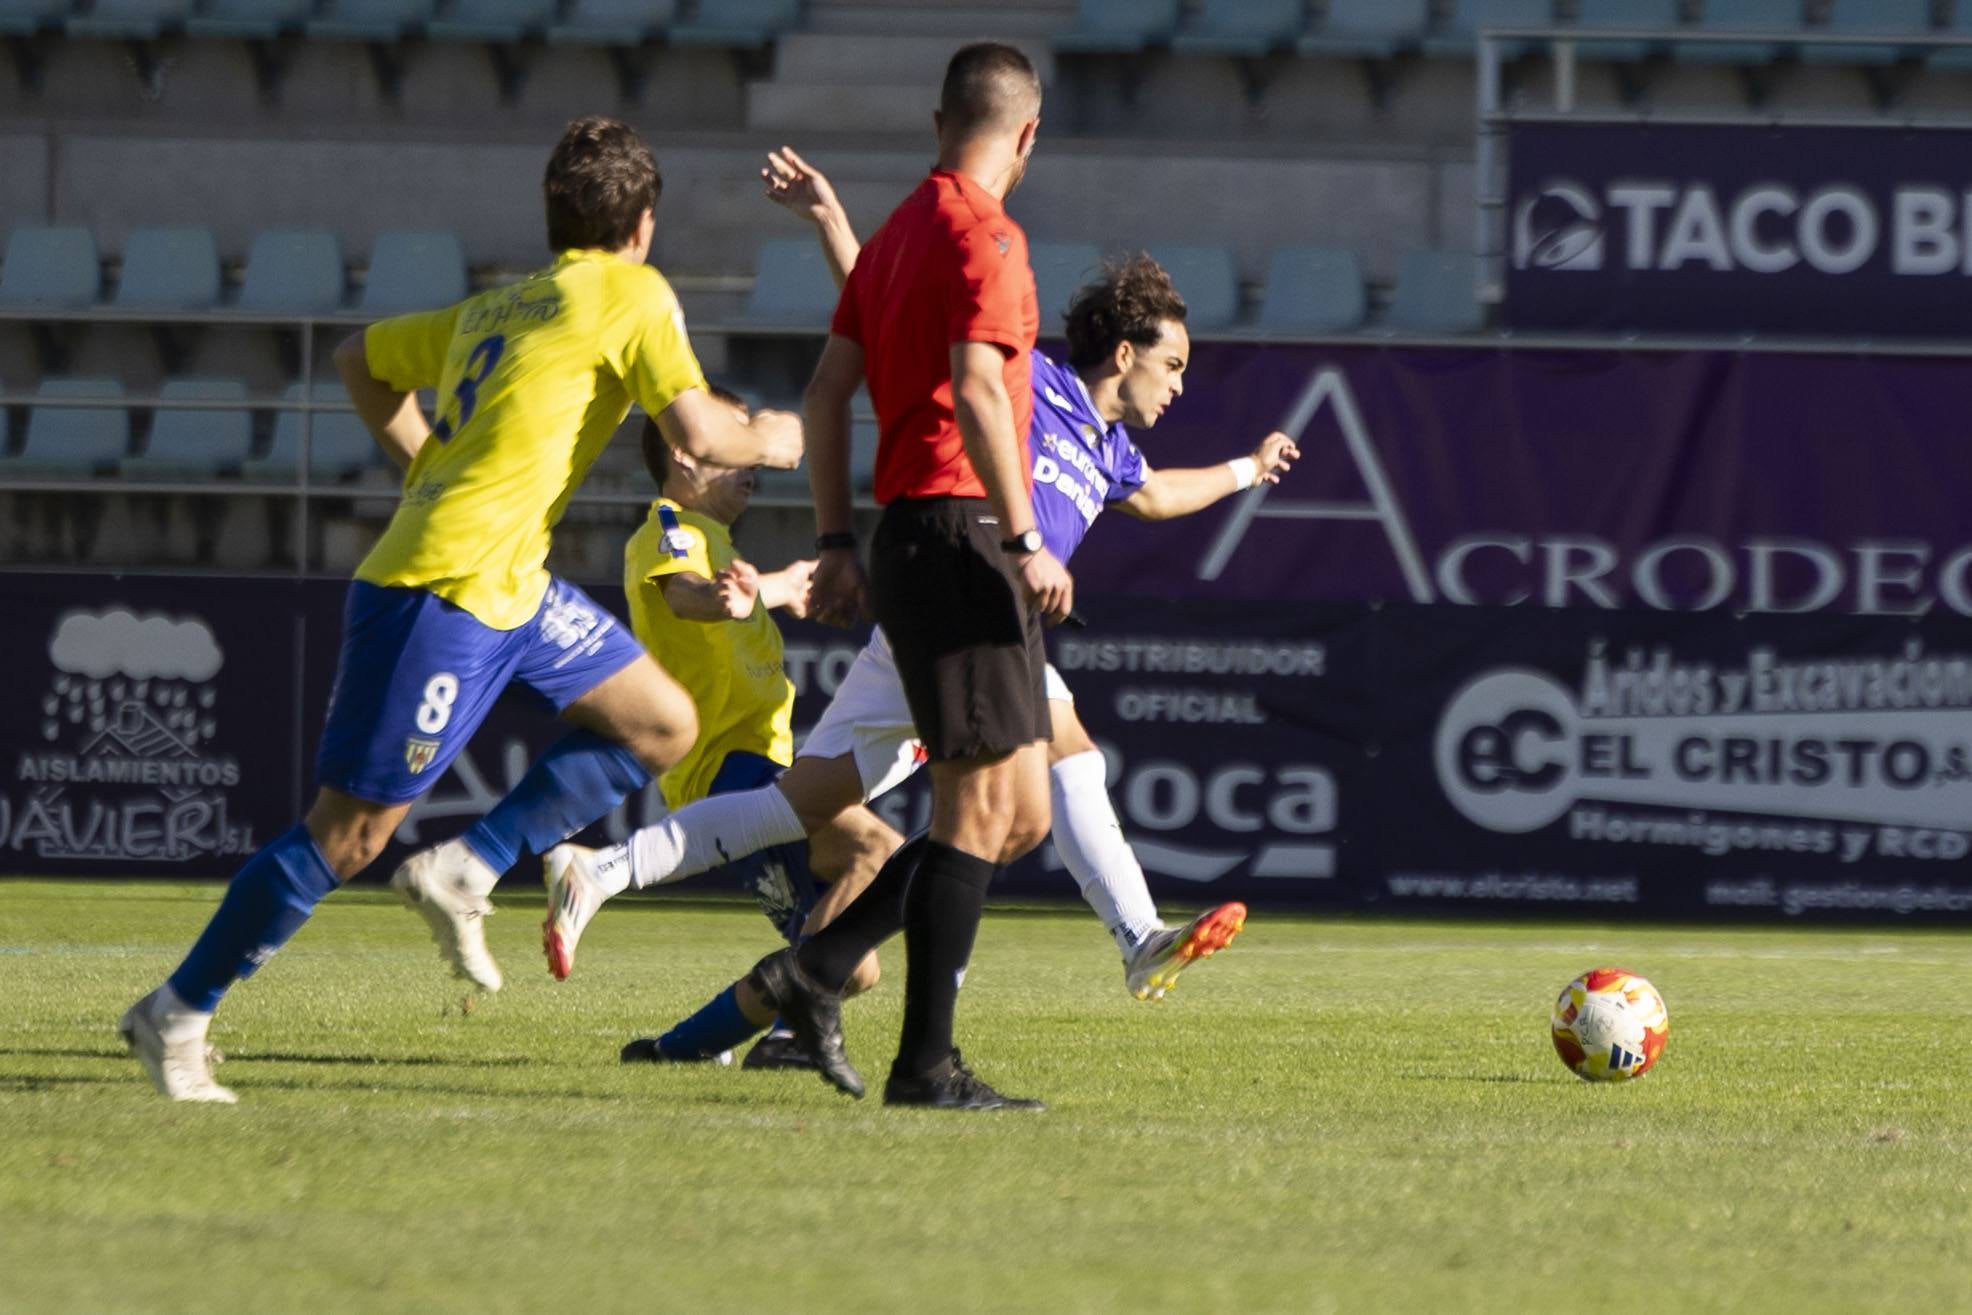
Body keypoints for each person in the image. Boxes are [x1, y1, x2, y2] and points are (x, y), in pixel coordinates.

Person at [116, 116, 802, 1103]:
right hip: (439, 588)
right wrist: (777, 438)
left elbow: (360, 358)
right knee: (345, 837)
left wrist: (426, 468)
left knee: (660, 720)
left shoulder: (497, 310)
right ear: (642, 225)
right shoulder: (631, 292)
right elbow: (699, 431)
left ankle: (469, 866)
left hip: (509, 581)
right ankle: (176, 1012)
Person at [540, 153, 1296, 1035]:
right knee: (1058, 749)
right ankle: (1133, 937)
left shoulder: (1112, 453)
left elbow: (1162, 495)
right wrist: (830, 222)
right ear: (1123, 355)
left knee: (797, 806)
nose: (1177, 386)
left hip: (926, 630)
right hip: (964, 598)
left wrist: (1249, 467)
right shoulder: (1031, 385)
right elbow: (895, 322)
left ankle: (603, 872)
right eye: (1171, 366)